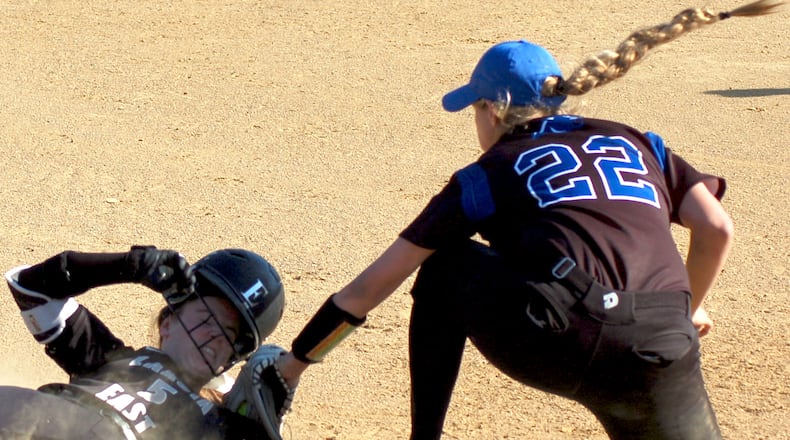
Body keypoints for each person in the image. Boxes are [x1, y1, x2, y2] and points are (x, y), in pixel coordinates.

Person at [274, 1, 783, 438]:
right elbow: (717, 227)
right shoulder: (634, 139)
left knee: (446, 266)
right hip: (663, 344)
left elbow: (369, 288)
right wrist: (688, 307)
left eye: (474, 109)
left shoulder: (489, 170)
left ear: (493, 111)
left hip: (564, 336)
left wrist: (292, 367)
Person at [1, 246, 294, 439]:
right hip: (30, 412)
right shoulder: (111, 360)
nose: (213, 336)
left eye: (228, 334)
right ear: (167, 323)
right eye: (205, 318)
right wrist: (130, 266)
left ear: (229, 360)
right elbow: (30, 286)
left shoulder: (219, 424)